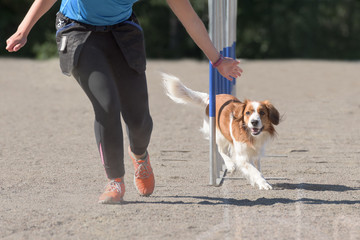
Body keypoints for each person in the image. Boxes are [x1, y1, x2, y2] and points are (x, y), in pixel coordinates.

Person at [6, 0, 243, 204]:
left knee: (139, 121)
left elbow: (190, 18)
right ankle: (115, 181)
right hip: (77, 29)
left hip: (123, 31)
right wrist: (23, 30)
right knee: (106, 105)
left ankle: (140, 157)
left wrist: (217, 60)